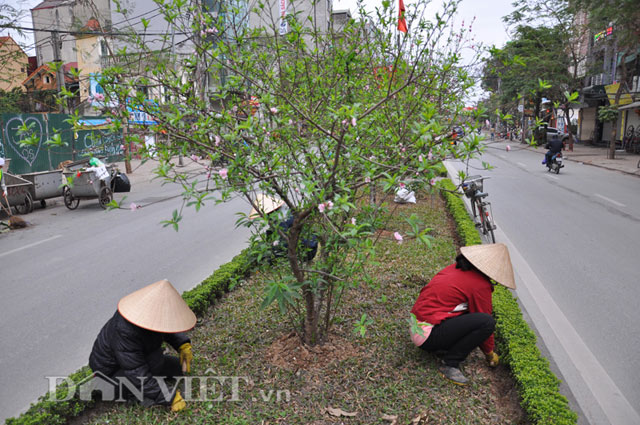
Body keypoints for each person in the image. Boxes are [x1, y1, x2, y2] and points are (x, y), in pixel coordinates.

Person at [410, 243, 516, 385]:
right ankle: (450, 364)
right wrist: (490, 353)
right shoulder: (480, 285)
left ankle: (444, 349)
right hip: (427, 336)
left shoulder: (454, 268)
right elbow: (484, 318)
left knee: (471, 314)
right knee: (487, 322)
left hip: (415, 324)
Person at [89, 279, 196, 412]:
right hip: (110, 377)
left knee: (177, 367)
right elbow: (137, 372)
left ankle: (152, 383)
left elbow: (165, 327)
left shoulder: (148, 318)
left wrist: (182, 344)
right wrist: (169, 397)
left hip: (136, 362)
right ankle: (134, 395)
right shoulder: (125, 331)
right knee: (155, 361)